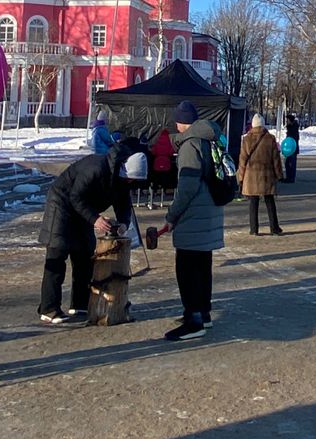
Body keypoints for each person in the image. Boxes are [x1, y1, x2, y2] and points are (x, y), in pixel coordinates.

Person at [37, 138, 145, 324]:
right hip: (62, 204)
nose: (130, 182)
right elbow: (75, 196)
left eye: (133, 181)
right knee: (57, 254)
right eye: (129, 178)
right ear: (123, 169)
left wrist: (123, 224)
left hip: (84, 210)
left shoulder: (121, 178)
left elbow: (124, 204)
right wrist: (95, 219)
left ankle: (79, 304)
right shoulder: (96, 167)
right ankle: (49, 308)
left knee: (85, 255)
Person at [163, 100, 223, 340]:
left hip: (194, 214)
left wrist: (171, 215)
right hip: (210, 210)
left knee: (186, 268)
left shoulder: (190, 145)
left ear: (181, 122)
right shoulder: (210, 140)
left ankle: (193, 319)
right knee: (202, 266)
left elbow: (187, 187)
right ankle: (203, 313)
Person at [238, 113, 284, 235]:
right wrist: (279, 174)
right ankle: (274, 228)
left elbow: (242, 160)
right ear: (263, 124)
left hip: (251, 176)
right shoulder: (270, 139)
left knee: (253, 202)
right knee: (270, 201)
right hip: (266, 176)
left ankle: (254, 229)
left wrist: (240, 177)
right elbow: (276, 159)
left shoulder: (246, 139)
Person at [282, 113, 300, 183]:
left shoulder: (294, 128)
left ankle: (291, 178)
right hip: (289, 148)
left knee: (292, 163)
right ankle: (289, 177)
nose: (287, 121)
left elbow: (293, 139)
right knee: (287, 163)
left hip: (292, 148)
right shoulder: (290, 127)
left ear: (291, 121)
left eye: (288, 120)